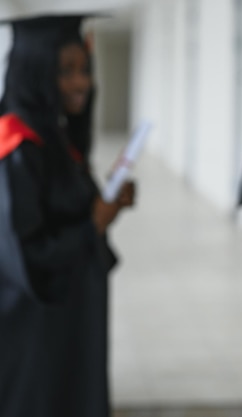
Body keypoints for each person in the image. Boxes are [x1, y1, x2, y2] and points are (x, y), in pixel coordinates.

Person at [0, 14, 134, 417]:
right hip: (34, 330)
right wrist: (96, 219)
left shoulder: (52, 136)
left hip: (67, 321)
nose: (82, 83)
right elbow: (26, 254)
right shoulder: (17, 146)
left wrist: (106, 201)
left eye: (85, 69)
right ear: (36, 72)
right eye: (66, 71)